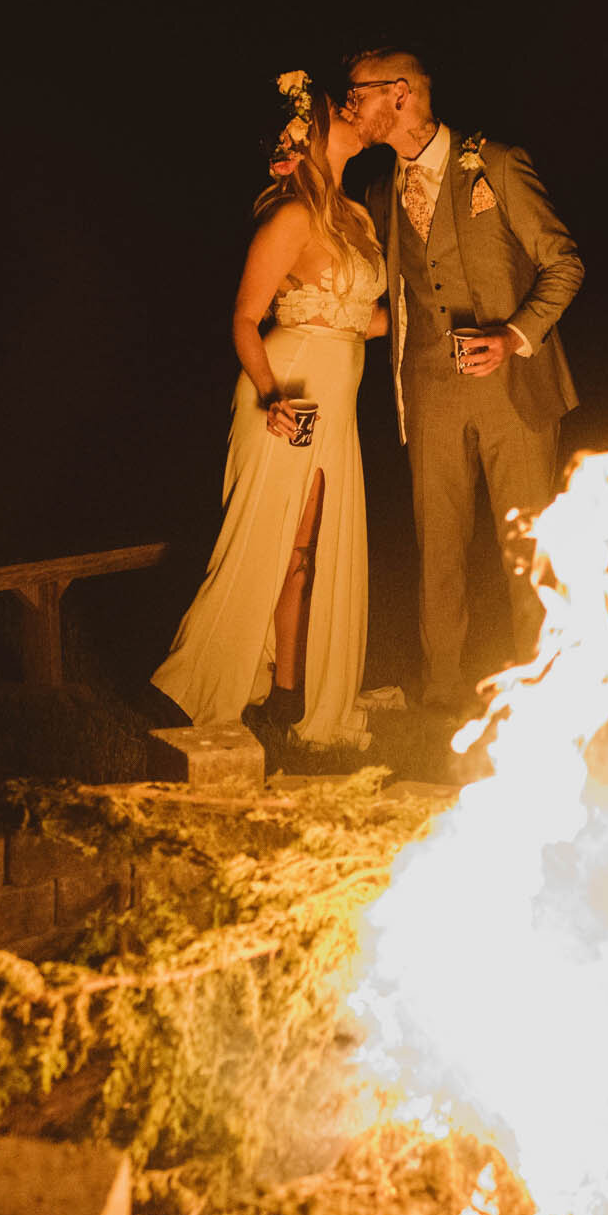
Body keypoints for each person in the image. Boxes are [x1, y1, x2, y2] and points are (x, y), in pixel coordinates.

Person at [340, 48, 583, 716]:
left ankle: (543, 692)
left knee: (526, 548)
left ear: (400, 94)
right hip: (429, 388)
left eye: (356, 93)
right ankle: (441, 689)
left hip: (515, 387)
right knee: (436, 546)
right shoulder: (379, 191)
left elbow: (564, 264)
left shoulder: (497, 163)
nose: (349, 106)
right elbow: (406, 294)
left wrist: (513, 335)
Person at [152, 71, 387, 747]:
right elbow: (245, 317)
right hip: (293, 387)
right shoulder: (291, 215)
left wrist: (419, 311)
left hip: (337, 391)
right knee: (270, 538)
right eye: (336, 112)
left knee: (307, 547)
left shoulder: (357, 215)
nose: (351, 115)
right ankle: (199, 680)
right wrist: (271, 394)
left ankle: (286, 691)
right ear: (309, 131)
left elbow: (359, 320)